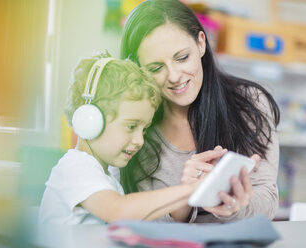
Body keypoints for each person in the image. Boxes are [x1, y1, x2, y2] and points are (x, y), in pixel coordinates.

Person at [120, 0, 280, 223]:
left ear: (201, 43)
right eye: (156, 68)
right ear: (138, 69)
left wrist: (231, 203)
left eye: (182, 57)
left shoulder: (250, 104)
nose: (174, 76)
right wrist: (185, 195)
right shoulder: (136, 131)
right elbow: (138, 221)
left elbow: (268, 200)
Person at [38, 52, 208, 224]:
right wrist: (188, 190)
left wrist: (191, 191)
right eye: (131, 126)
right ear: (91, 119)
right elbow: (116, 210)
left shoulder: (108, 179)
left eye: (144, 130)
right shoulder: (75, 168)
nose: (140, 141)